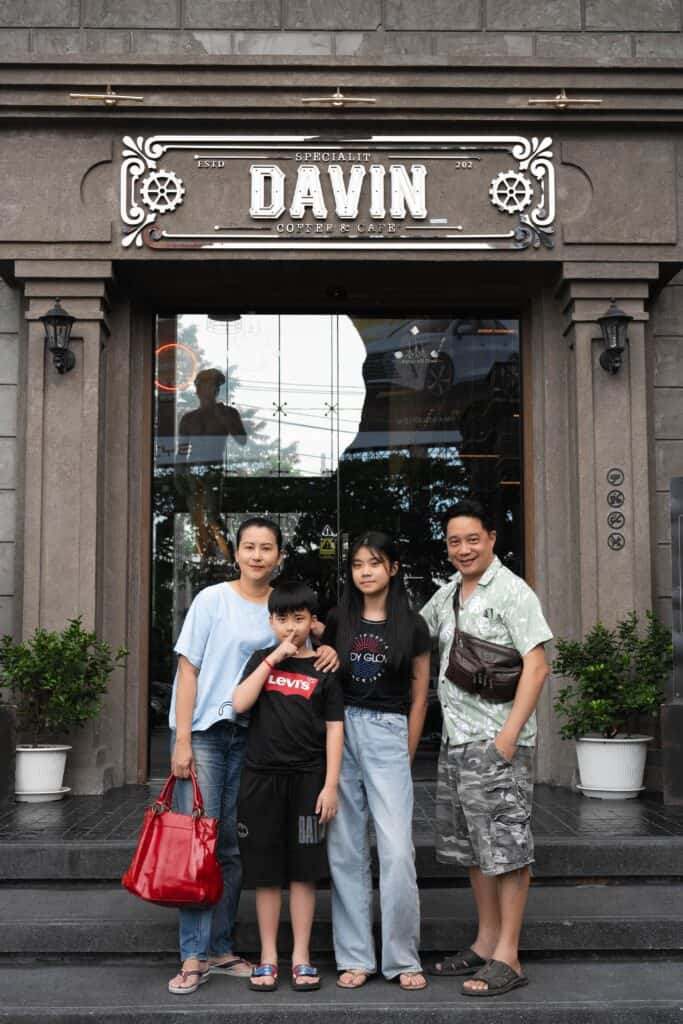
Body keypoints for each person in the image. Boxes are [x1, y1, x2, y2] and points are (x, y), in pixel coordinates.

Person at [167, 518, 338, 995]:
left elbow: (314, 642)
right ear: (236, 553)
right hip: (206, 732)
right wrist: (182, 739)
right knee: (200, 841)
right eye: (249, 547)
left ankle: (220, 948)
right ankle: (193, 955)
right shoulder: (212, 600)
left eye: (266, 548)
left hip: (255, 739)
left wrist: (329, 649)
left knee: (233, 847)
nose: (257, 555)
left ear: (279, 555)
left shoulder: (284, 607)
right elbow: (188, 669)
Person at [421, 499, 552, 998]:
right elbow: (410, 634)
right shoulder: (448, 593)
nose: (463, 549)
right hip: (456, 741)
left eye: (472, 539)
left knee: (508, 848)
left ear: (492, 538)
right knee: (476, 849)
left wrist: (507, 738)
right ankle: (486, 942)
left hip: (496, 742)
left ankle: (509, 957)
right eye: (454, 541)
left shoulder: (513, 591)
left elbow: (537, 666)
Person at [323, 531, 431, 992]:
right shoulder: (337, 619)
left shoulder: (413, 625)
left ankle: (402, 957)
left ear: (393, 568)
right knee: (345, 849)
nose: (365, 572)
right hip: (342, 730)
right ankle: (355, 957)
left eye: (374, 562)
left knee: (397, 851)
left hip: (389, 732)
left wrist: (406, 751)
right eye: (357, 564)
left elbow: (420, 696)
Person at [232, 581, 344, 993]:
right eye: (282, 619)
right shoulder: (261, 660)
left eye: (299, 618)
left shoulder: (326, 668)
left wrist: (330, 785)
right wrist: (274, 658)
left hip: (308, 782)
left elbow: (335, 729)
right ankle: (267, 957)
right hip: (261, 781)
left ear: (313, 621)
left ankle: (300, 957)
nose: (291, 627)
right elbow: (239, 703)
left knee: (303, 873)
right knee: (265, 874)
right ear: (271, 622)